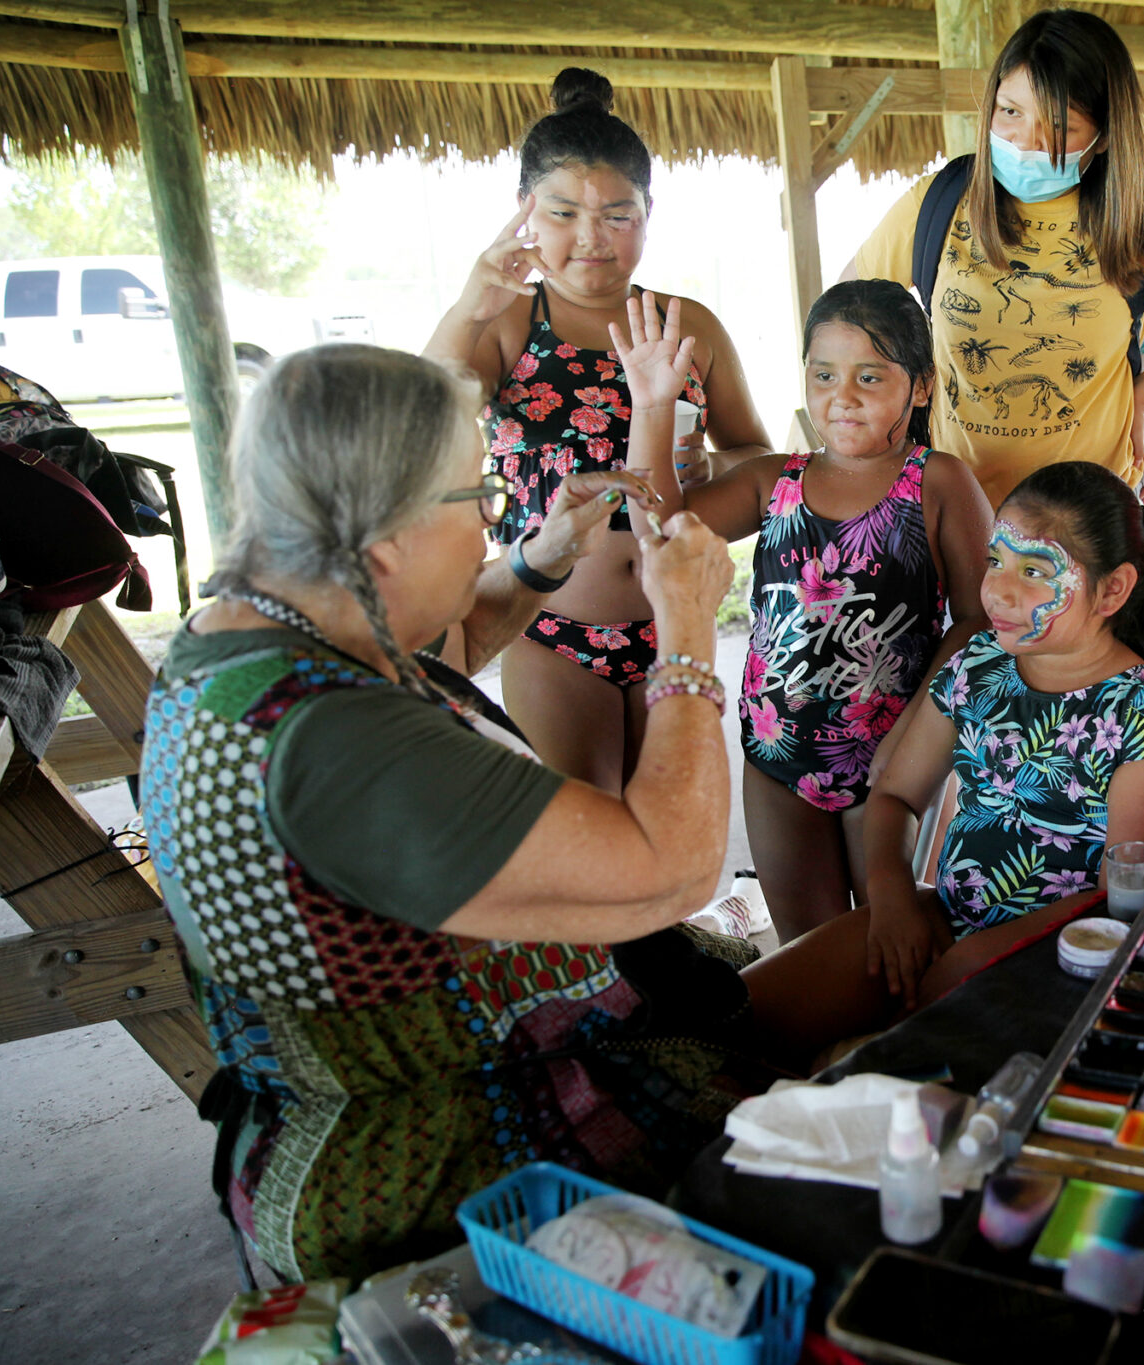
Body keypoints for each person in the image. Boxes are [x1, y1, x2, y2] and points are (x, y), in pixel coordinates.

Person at [145, 343, 788, 1284]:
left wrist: (545, 553)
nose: (491, 518)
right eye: (477, 497)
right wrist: (687, 630)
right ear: (387, 540)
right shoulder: (336, 743)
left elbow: (436, 642)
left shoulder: (252, 633)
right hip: (453, 1144)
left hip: (438, 1078)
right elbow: (677, 869)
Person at [743, 462, 1144, 1054]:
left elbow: (1117, 904)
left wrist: (978, 958)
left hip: (1060, 959)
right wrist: (891, 897)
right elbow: (894, 796)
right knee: (740, 1020)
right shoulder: (980, 663)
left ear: (1112, 589)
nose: (999, 591)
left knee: (869, 1067)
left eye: (1035, 571)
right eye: (995, 561)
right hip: (943, 921)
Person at [424, 67, 769, 791]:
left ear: (649, 212)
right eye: (562, 214)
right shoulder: (508, 320)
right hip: (548, 632)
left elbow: (752, 452)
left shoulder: (687, 326)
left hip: (671, 626)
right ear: (523, 210)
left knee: (665, 843)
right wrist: (467, 309)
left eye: (619, 215)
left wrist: (712, 474)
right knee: (586, 842)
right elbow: (417, 424)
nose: (593, 239)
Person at [641, 280, 993, 941]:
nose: (844, 395)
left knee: (896, 946)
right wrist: (655, 409)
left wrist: (916, 734)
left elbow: (980, 620)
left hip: (892, 762)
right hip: (776, 760)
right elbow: (661, 532)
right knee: (812, 950)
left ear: (920, 386)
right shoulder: (773, 481)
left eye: (870, 375)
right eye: (824, 373)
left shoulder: (939, 481)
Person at [842, 8, 1144, 507]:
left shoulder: (1140, 218)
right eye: (1009, 112)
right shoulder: (938, 201)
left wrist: (1138, 396)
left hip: (1087, 519)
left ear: (1106, 133)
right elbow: (845, 314)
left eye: (1059, 127)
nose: (1025, 143)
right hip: (959, 512)